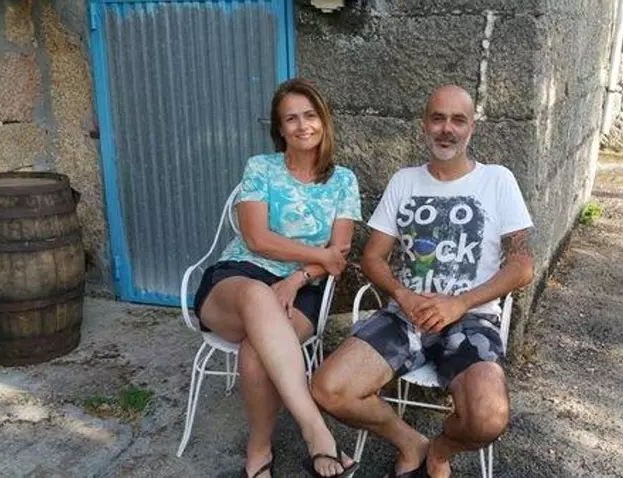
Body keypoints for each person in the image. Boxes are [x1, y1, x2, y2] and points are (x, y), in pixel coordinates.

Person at [311, 85, 535, 478]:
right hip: (406, 315)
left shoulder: (497, 180)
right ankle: (411, 442)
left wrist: (460, 303)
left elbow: (522, 265)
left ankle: (439, 453)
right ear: (424, 125)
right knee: (328, 389)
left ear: (471, 128)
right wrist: (404, 295)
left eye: (458, 120)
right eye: (438, 118)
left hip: (470, 319)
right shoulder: (405, 181)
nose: (447, 128)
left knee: (488, 417)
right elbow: (373, 257)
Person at [193, 78, 360, 478]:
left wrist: (297, 278)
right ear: (280, 128)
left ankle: (259, 447)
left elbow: (337, 256)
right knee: (256, 295)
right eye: (291, 119)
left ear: (323, 121)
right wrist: (318, 254)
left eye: (310, 115)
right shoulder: (261, 168)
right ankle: (315, 430)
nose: (303, 126)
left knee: (256, 352)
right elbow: (257, 239)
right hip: (239, 278)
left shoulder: (343, 181)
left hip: (304, 288)